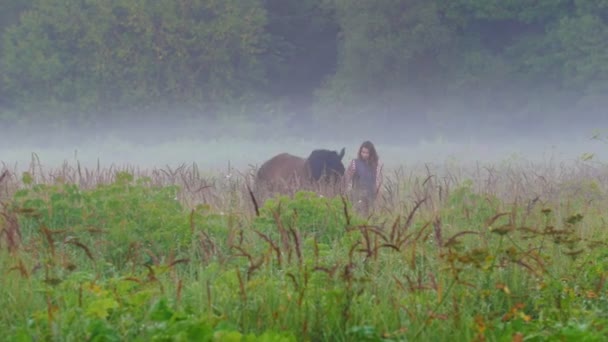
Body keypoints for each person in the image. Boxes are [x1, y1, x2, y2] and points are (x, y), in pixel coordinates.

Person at [344, 141, 383, 216]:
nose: (364, 155)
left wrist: (378, 195)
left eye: (367, 153)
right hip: (357, 195)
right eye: (363, 152)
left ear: (371, 153)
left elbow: (378, 180)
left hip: (371, 195)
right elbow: (347, 178)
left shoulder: (377, 164)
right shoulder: (354, 163)